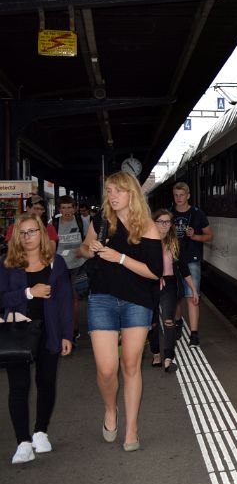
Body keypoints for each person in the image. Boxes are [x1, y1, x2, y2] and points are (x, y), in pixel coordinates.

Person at [77, 171, 162, 451]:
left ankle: (132, 428)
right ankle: (110, 409)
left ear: (131, 193)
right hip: (101, 298)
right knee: (106, 369)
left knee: (130, 365)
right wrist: (91, 250)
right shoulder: (101, 221)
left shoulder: (147, 227)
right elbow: (83, 249)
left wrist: (120, 258)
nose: (112, 196)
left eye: (118, 191)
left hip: (137, 301)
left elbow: (155, 272)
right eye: (109, 191)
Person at [0, 214, 73, 464]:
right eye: (23, 233)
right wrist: (29, 293)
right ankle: (22, 442)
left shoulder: (56, 262)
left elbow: (64, 301)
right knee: (18, 387)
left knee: (46, 381)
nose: (28, 237)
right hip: (18, 332)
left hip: (49, 331)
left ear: (41, 233)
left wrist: (66, 334)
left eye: (32, 231)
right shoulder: (7, 264)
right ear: (16, 237)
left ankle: (41, 431)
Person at [148, 209, 197, 372]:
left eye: (167, 222)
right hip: (150, 284)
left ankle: (168, 358)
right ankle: (156, 353)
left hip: (169, 284)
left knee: (168, 321)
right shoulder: (147, 242)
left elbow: (183, 268)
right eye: (160, 221)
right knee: (152, 322)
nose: (164, 225)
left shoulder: (175, 243)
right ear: (154, 223)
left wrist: (193, 289)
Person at [170, 182, 213, 347]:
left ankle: (194, 334)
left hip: (192, 259)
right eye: (176, 195)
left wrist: (195, 236)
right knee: (175, 296)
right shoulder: (169, 213)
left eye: (181, 195)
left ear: (188, 196)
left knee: (192, 296)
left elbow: (210, 236)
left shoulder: (197, 214)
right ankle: (178, 321)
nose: (178, 198)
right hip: (173, 259)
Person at [53, 196, 90, 339]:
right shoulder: (54, 223)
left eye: (69, 207)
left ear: (74, 208)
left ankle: (73, 329)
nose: (67, 210)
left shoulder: (82, 222)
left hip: (78, 266)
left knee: (74, 298)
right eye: (63, 208)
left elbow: (89, 241)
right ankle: (64, 327)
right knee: (62, 298)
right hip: (60, 267)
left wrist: (83, 252)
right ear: (59, 209)